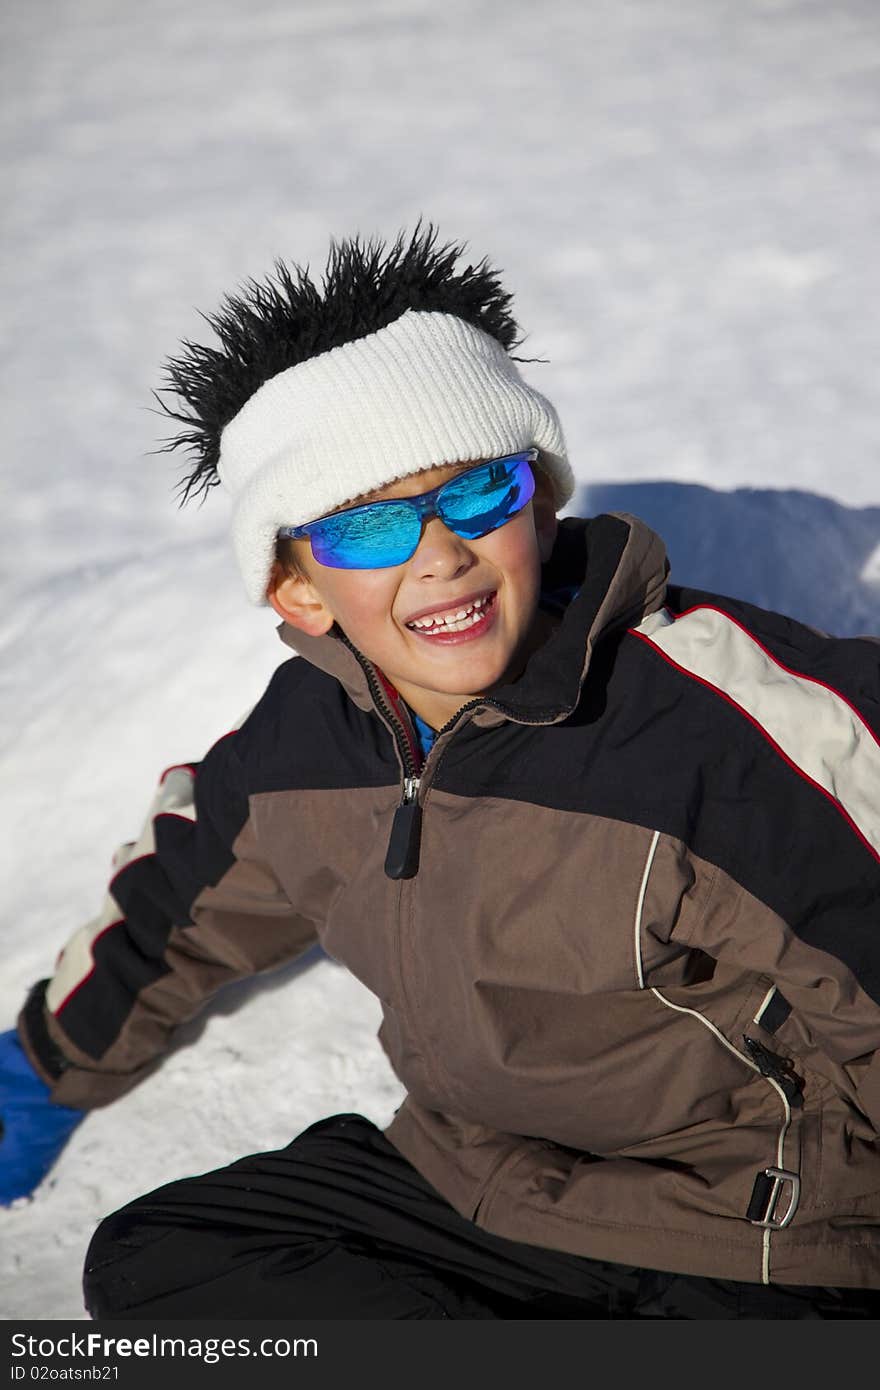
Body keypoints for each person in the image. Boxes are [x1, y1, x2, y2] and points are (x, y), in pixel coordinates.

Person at [2, 227, 879, 1320]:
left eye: (474, 495)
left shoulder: (713, 723)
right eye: (369, 525)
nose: (437, 552)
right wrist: (41, 1070)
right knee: (158, 1257)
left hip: (754, 1228)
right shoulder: (311, 742)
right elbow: (185, 893)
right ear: (298, 588)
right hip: (484, 1184)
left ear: (541, 503)